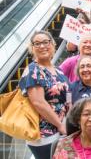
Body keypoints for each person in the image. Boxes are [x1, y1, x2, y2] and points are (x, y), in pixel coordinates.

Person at [19, 30, 68, 158]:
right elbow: (38, 103)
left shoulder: (59, 70)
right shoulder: (33, 70)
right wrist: (60, 125)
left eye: (45, 42)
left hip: (62, 127)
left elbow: (67, 95)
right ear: (32, 48)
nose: (42, 46)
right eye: (37, 43)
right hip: (44, 133)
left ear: (52, 44)